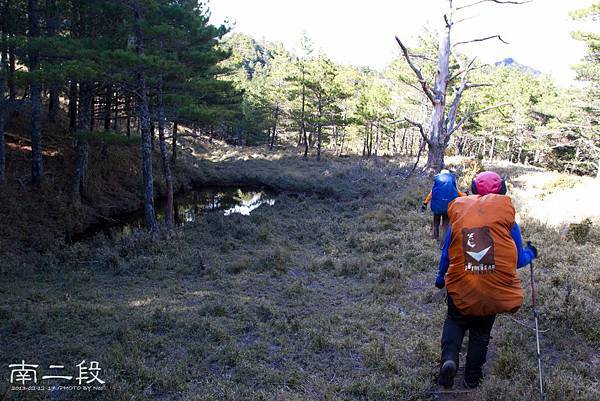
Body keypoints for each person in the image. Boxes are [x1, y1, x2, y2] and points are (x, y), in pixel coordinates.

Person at [434, 171, 538, 389]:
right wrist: (531, 253)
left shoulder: (460, 217)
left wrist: (440, 279)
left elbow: (447, 254)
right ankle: (472, 378)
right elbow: (518, 260)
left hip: (461, 287)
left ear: (472, 189)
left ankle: (450, 359)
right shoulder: (509, 224)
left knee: (455, 321)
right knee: (481, 333)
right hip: (492, 290)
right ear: (502, 191)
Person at [422, 169, 466, 241]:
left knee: (436, 222)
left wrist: (425, 203)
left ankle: (434, 238)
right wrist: (467, 195)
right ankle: (444, 242)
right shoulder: (451, 185)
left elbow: (431, 194)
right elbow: (460, 194)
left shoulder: (437, 186)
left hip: (437, 207)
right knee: (445, 224)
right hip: (448, 208)